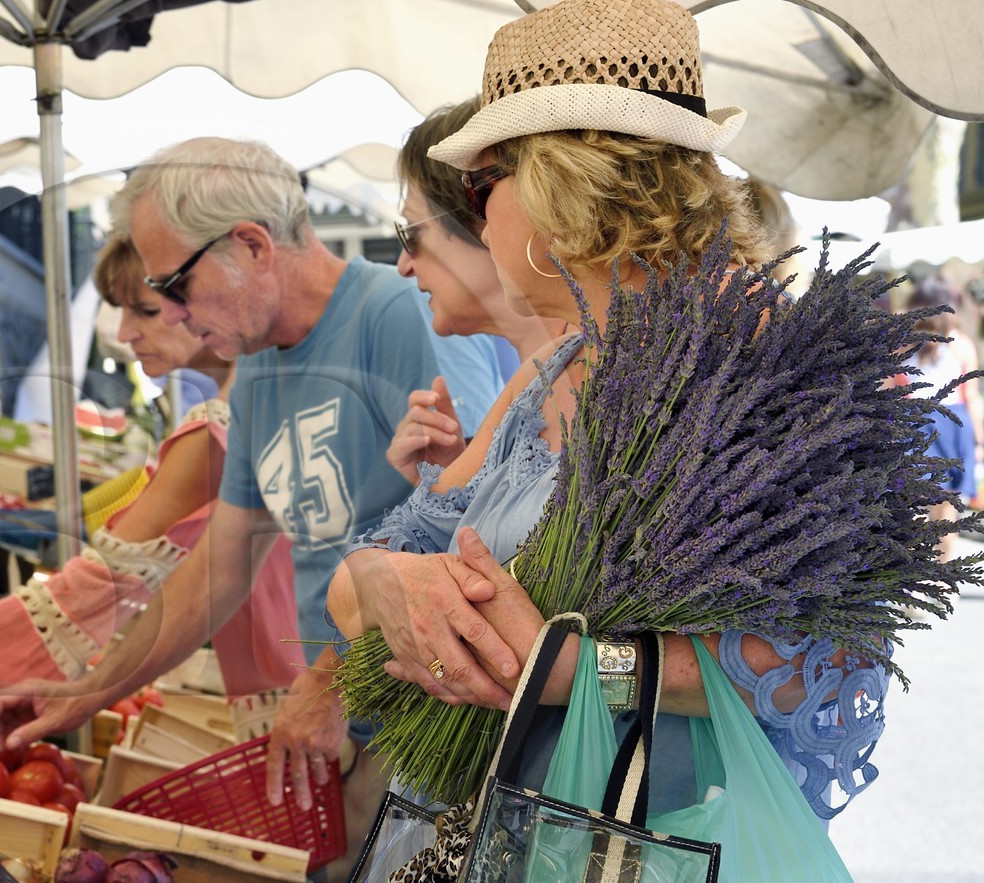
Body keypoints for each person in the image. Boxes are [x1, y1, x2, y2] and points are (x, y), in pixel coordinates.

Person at [328, 0, 887, 821]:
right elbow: (363, 579)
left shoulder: (769, 368)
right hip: (481, 860)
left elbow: (835, 665)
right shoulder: (547, 369)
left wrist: (580, 671)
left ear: (562, 181)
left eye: (485, 182)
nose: (476, 217)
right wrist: (388, 583)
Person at [0, 136, 513, 815]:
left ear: (253, 247)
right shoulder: (257, 363)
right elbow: (215, 571)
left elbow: (473, 526)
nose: (170, 315)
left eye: (174, 286)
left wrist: (330, 680)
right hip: (351, 737)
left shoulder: (396, 315)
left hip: (432, 735)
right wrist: (89, 686)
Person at [0, 238, 300, 715]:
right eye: (122, 310)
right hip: (296, 692)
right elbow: (190, 599)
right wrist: (92, 690)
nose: (125, 332)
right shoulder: (263, 405)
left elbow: (96, 589)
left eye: (147, 311)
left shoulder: (217, 430)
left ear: (210, 298)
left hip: (297, 700)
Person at [387, 100, 571, 487]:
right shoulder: (543, 378)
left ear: (484, 216)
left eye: (412, 231)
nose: (404, 265)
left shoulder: (587, 367)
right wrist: (457, 481)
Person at [906, 275, 981, 561]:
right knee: (947, 511)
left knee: (914, 508)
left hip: (916, 425)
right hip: (954, 426)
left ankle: (913, 579)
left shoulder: (902, 343)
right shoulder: (962, 344)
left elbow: (887, 391)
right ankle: (941, 576)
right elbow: (971, 395)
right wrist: (978, 440)